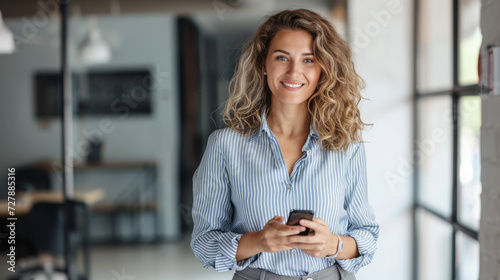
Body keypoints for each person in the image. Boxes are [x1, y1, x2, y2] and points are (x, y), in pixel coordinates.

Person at [190, 8, 380, 280]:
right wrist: (258, 241)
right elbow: (204, 244)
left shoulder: (346, 146)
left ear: (323, 69)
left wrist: (332, 245)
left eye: (308, 60)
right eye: (282, 58)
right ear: (263, 65)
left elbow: (367, 237)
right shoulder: (225, 146)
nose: (294, 71)